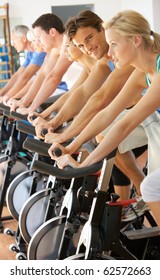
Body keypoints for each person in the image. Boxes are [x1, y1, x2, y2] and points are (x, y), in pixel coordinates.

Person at [48, 10, 160, 225]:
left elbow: (124, 122)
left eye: (115, 45)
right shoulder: (140, 73)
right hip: (151, 124)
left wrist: (83, 161)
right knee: (150, 186)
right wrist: (72, 145)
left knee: (151, 187)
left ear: (136, 40)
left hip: (151, 124)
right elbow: (107, 112)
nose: (111, 52)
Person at [8, 13, 73, 115]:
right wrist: (24, 101)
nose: (37, 41)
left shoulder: (68, 43)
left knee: (40, 108)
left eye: (39, 36)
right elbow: (42, 75)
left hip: (75, 92)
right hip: (74, 92)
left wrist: (31, 107)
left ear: (52, 32)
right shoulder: (55, 50)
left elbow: (53, 78)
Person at [0, 25, 46, 102]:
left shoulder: (40, 52)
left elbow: (25, 77)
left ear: (24, 38)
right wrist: (2, 93)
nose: (12, 44)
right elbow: (18, 74)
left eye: (13, 40)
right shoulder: (29, 53)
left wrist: (7, 97)